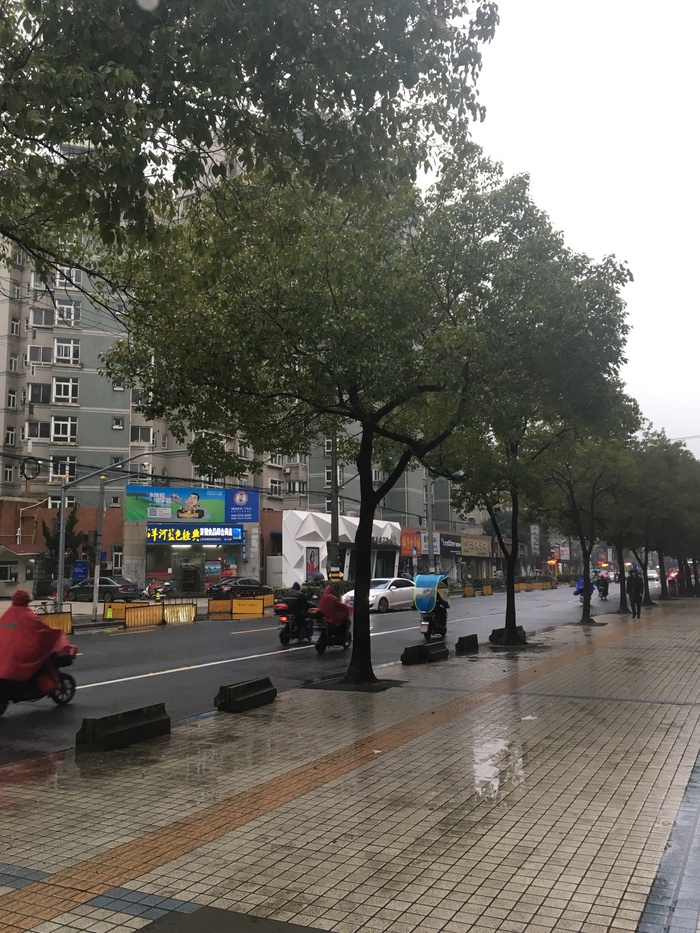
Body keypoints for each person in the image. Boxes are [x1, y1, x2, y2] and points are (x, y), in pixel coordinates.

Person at [0, 590, 69, 692]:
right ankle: (52, 685)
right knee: (45, 659)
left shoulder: (7, 615)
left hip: (4, 652)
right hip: (23, 652)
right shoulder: (28, 615)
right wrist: (56, 632)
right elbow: (41, 629)